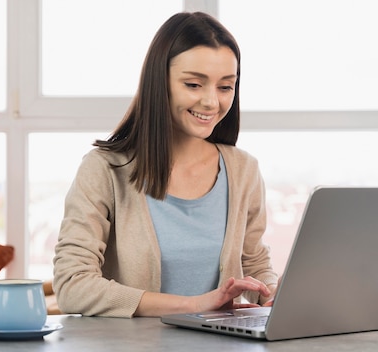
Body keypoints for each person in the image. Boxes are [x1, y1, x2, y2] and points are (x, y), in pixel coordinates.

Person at [52, 11, 279, 318]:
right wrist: (193, 305)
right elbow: (72, 286)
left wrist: (272, 294)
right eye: (194, 85)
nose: (212, 102)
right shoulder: (104, 170)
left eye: (225, 87)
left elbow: (255, 265)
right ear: (160, 82)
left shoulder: (243, 170)